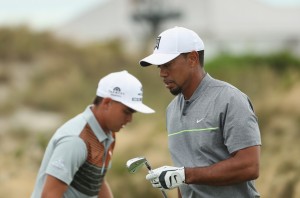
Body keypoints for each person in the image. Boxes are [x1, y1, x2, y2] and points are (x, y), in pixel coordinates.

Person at [139, 26, 261, 198]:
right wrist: (182, 177)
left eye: (167, 64)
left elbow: (249, 166)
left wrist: (186, 175)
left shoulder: (230, 100)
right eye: (159, 66)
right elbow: (185, 179)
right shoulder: (172, 110)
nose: (162, 73)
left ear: (192, 58)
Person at [31, 70, 155, 198]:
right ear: (107, 103)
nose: (130, 119)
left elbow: (96, 181)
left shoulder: (108, 134)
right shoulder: (76, 140)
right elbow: (49, 195)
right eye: (126, 112)